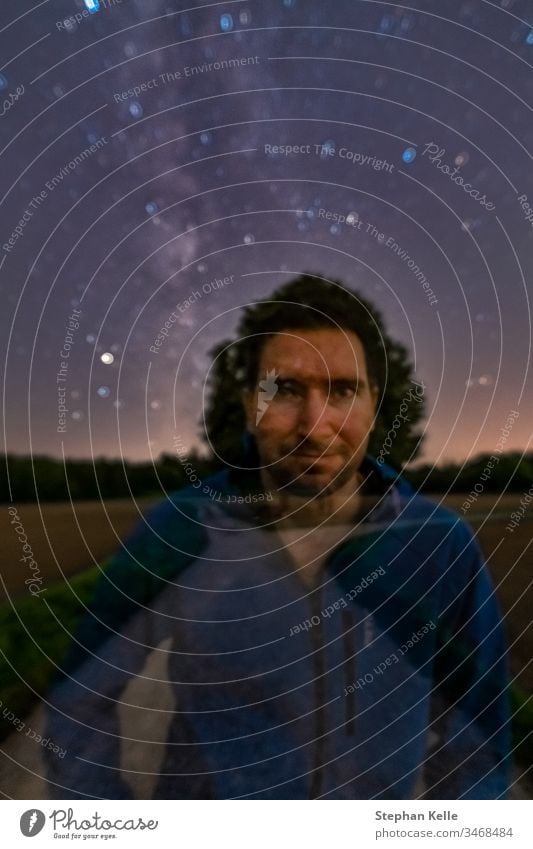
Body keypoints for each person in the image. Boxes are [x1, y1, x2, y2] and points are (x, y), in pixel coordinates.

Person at [45, 275, 511, 800]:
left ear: (373, 406)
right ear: (250, 405)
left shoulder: (438, 545)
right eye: (285, 390)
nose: (315, 426)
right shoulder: (181, 531)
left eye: (342, 391)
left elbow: (480, 739)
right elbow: (79, 703)